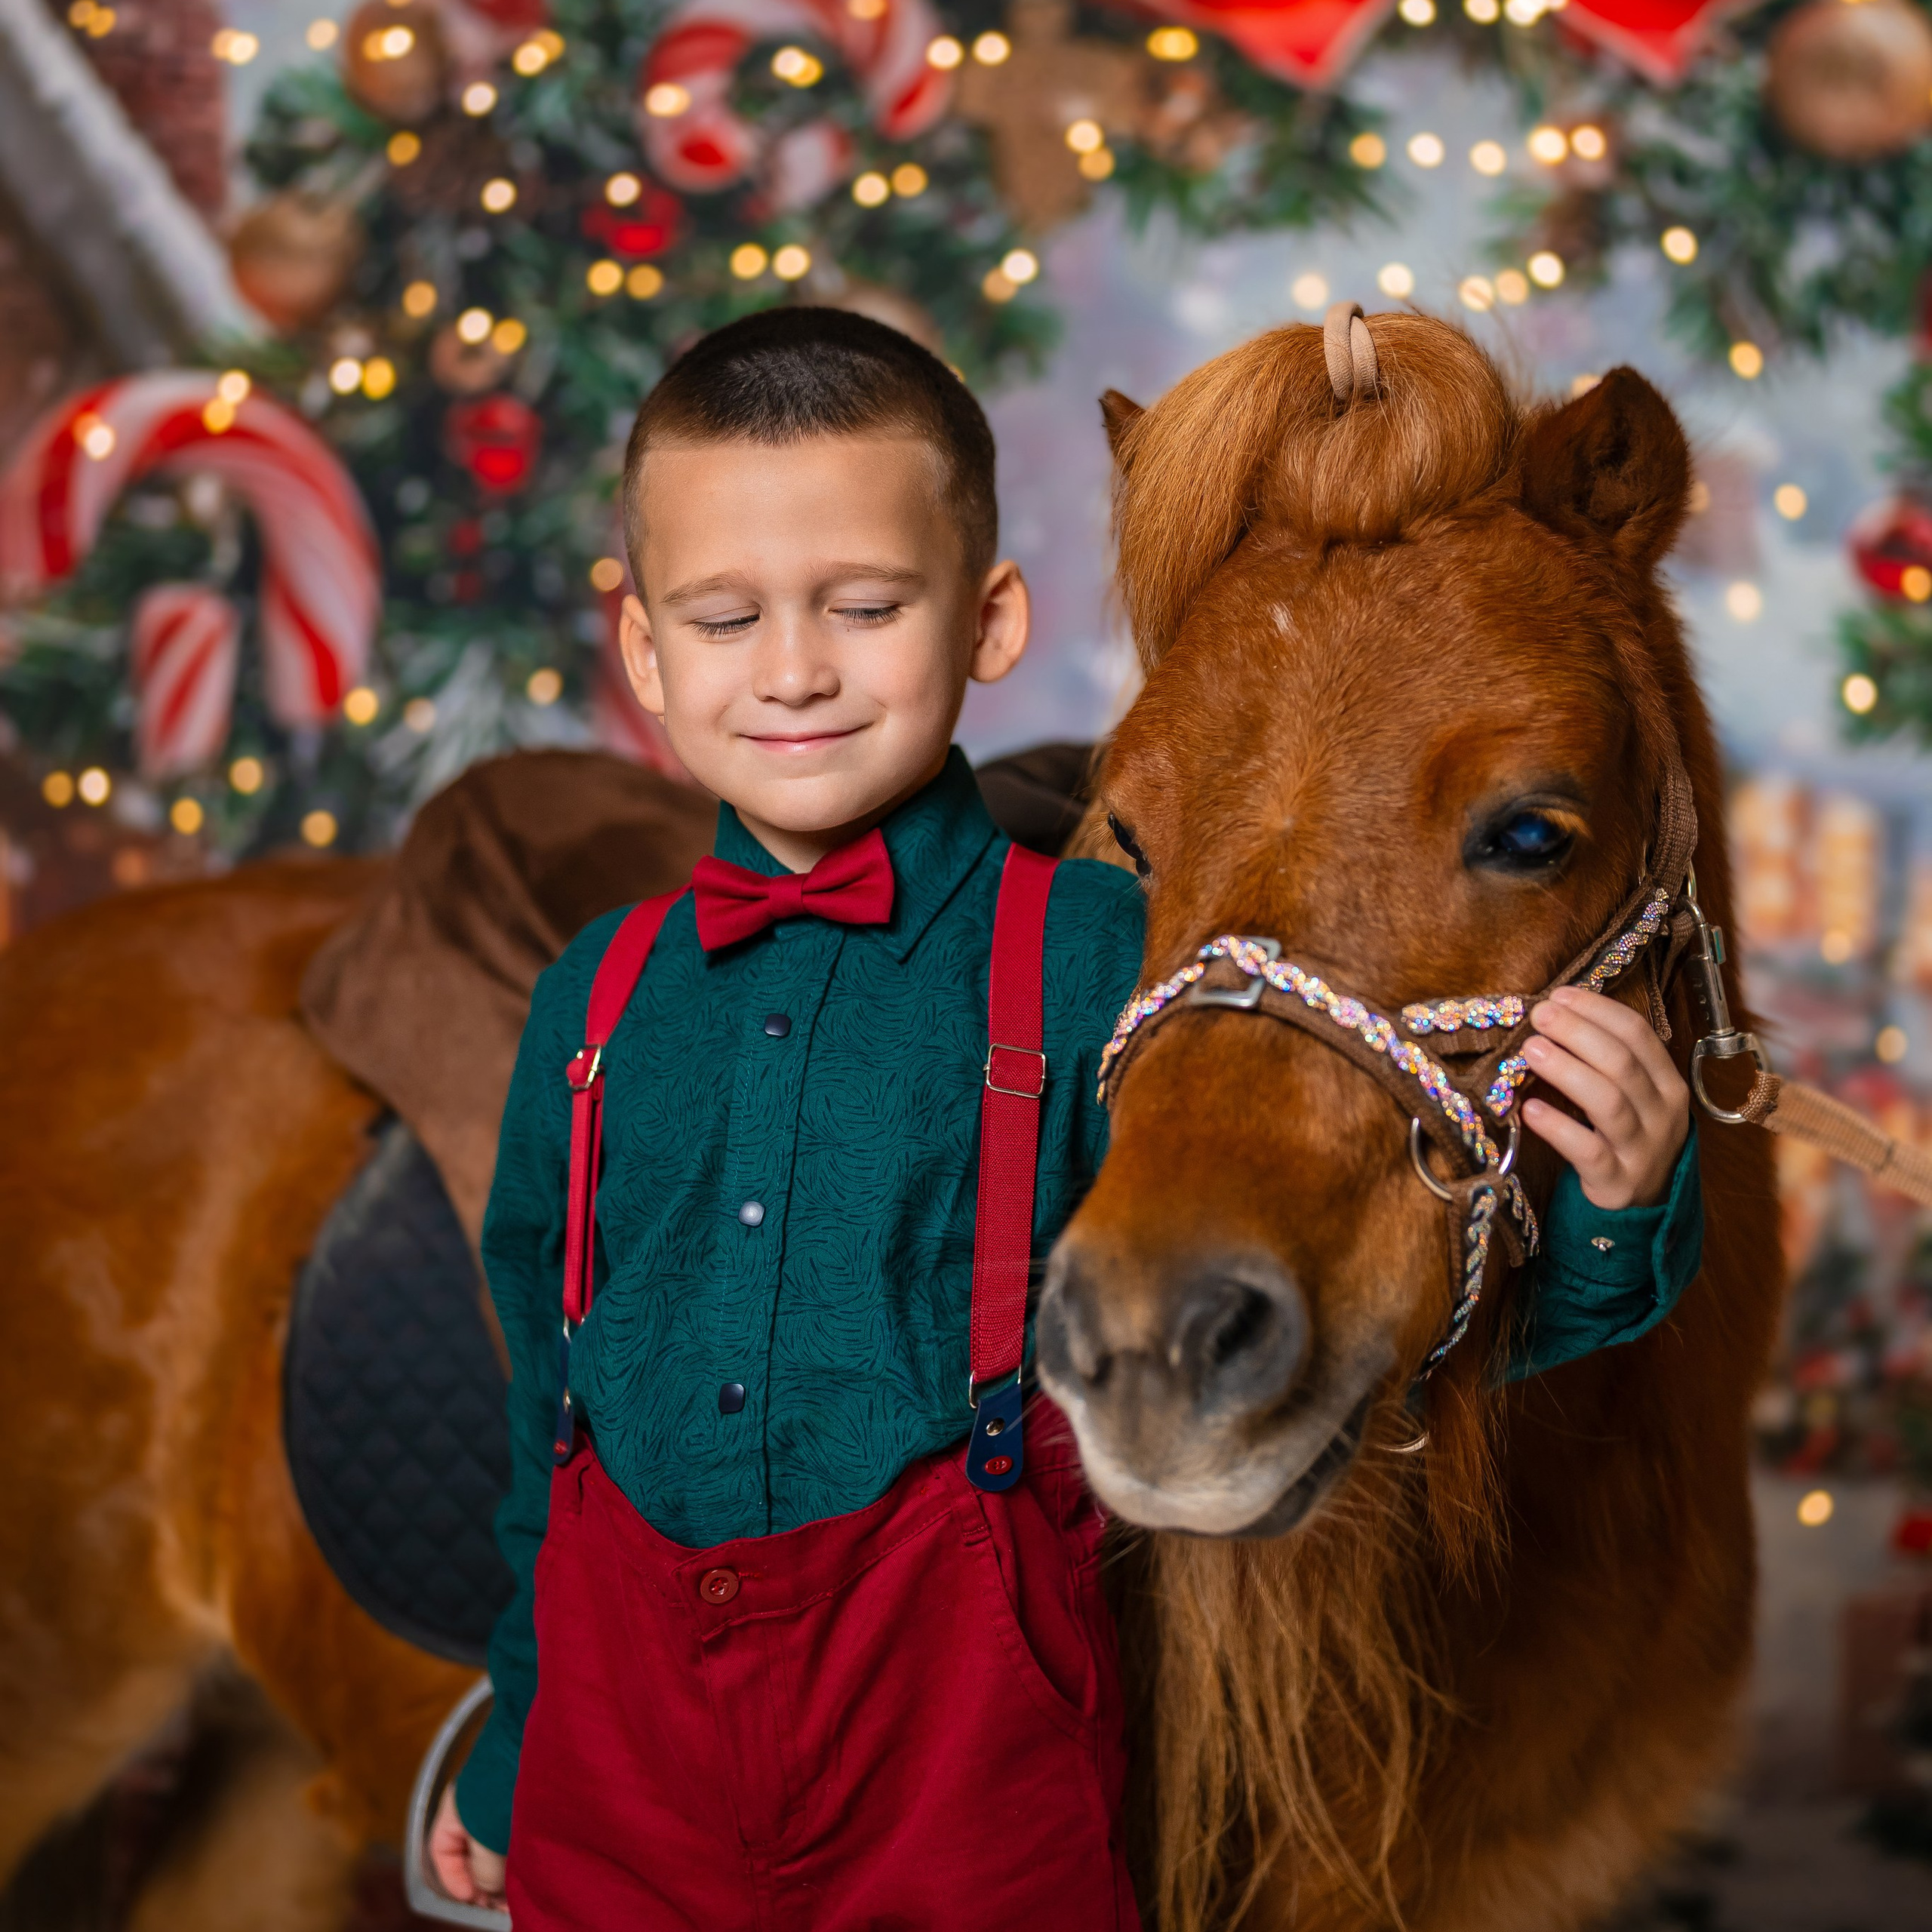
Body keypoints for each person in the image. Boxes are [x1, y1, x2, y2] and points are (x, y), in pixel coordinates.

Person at [428, 306, 1703, 1924]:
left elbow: (1404, 1335)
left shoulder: (1105, 950)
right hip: (633, 1778)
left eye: (868, 606)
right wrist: (517, 1729)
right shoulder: (594, 1002)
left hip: (959, 1776)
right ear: (645, 653)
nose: (798, 667)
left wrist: (1610, 1209)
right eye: (725, 615)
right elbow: (559, 1409)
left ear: (989, 619)